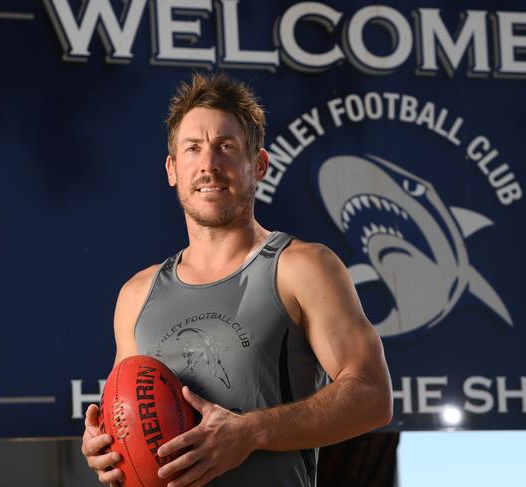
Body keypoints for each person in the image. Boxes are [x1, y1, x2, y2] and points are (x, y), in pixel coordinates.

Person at [81, 72, 392, 487]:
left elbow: (372, 395)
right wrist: (105, 447)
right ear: (173, 169)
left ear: (258, 165)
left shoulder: (301, 267)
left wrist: (250, 432)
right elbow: (129, 418)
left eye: (225, 147)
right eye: (192, 149)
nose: (208, 164)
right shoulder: (137, 294)